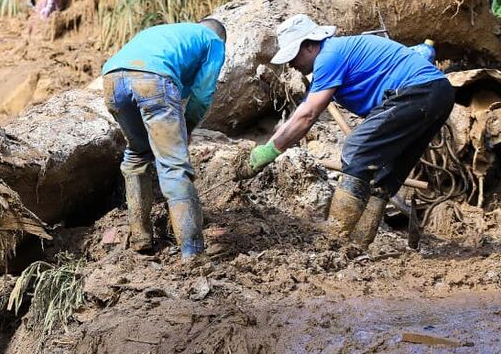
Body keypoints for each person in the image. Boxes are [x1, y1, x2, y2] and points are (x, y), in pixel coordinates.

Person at [239, 14, 454, 247]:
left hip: (417, 91)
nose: (291, 64)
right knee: (383, 174)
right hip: (439, 93)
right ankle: (358, 244)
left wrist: (268, 152)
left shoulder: (329, 56)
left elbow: (308, 114)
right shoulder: (339, 53)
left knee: (356, 151)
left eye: (293, 56)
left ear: (310, 45)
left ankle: (333, 236)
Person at [102, 17, 227, 259]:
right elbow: (202, 93)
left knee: (137, 153)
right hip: (152, 80)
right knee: (173, 164)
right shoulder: (214, 41)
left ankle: (140, 235)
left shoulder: (167, 33)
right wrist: (187, 128)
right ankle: (193, 251)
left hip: (112, 80)